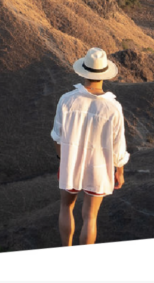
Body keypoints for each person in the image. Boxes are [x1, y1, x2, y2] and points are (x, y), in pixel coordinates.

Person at [51, 47, 130, 246]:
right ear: (104, 74)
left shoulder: (67, 100)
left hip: (70, 164)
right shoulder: (113, 107)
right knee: (90, 217)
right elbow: (118, 145)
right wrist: (119, 171)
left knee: (65, 208)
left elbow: (57, 137)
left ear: (83, 71)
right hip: (99, 169)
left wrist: (63, 160)